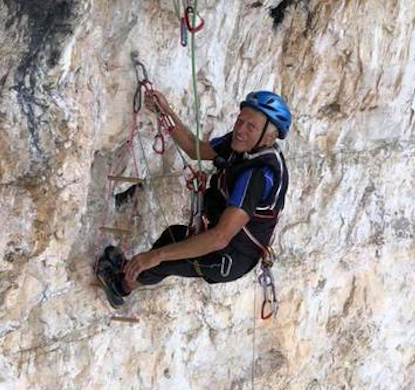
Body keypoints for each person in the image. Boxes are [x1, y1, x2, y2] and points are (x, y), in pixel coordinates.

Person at [96, 90, 291, 308]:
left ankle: (120, 287)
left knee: (166, 258)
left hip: (229, 257)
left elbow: (220, 237)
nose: (240, 130)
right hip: (224, 242)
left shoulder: (256, 176)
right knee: (173, 237)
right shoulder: (242, 145)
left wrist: (157, 256)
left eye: (251, 126)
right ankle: (129, 272)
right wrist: (165, 111)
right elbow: (195, 149)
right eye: (240, 120)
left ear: (268, 137)